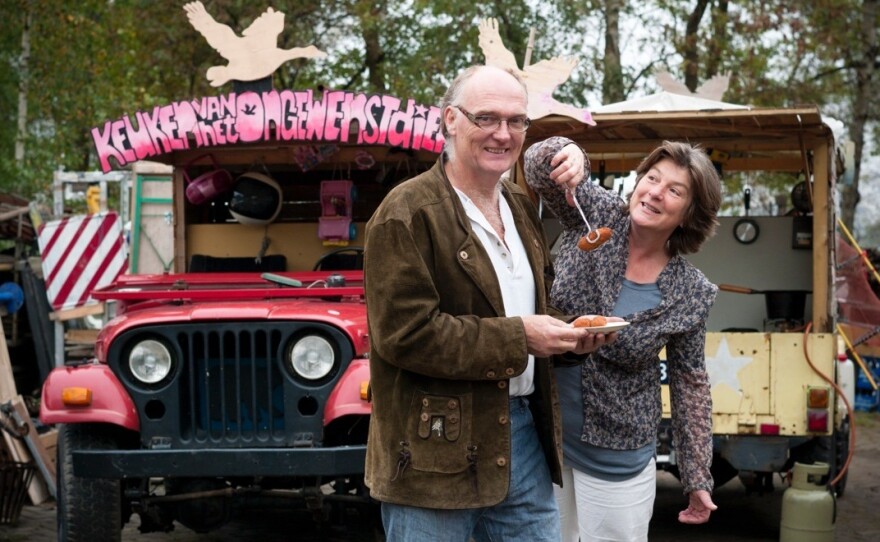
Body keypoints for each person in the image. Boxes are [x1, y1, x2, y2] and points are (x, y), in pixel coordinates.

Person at [363, 65, 614, 542]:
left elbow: (523, 311)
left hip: (521, 437)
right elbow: (405, 336)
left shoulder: (519, 206)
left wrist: (570, 336)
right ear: (450, 120)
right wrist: (522, 335)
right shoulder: (405, 214)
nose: (504, 134)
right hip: (431, 452)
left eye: (517, 121)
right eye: (488, 118)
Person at [524, 137, 721, 542]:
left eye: (674, 190)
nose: (655, 193)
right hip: (542, 439)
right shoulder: (597, 215)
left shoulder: (691, 292)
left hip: (617, 456)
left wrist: (697, 476)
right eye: (652, 178)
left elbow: (689, 384)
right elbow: (537, 169)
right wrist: (570, 153)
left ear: (690, 213)